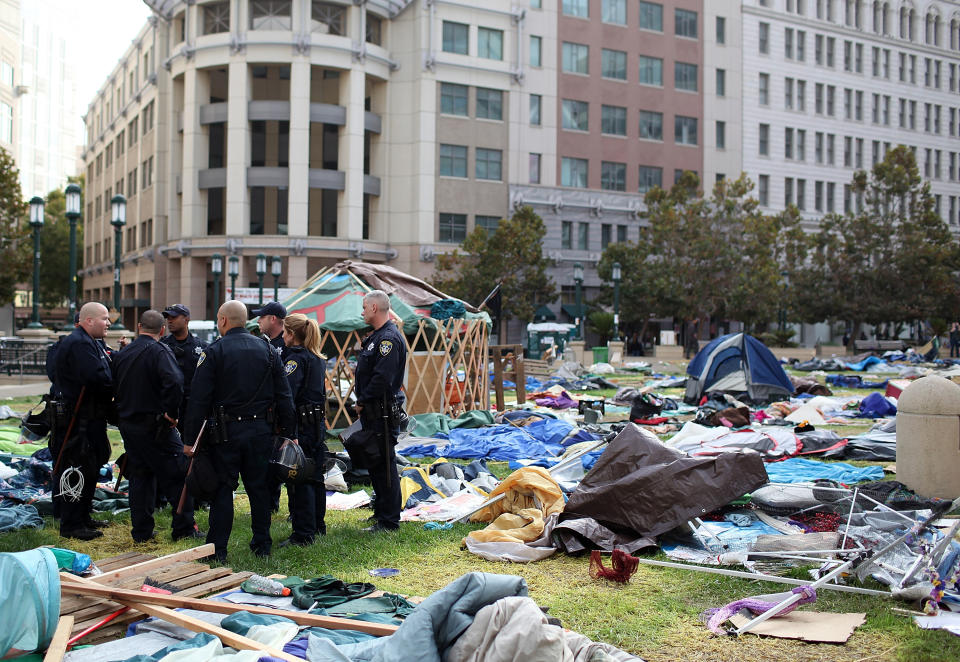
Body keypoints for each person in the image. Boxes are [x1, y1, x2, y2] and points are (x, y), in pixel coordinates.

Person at [183, 300, 296, 563]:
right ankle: (262, 545)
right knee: (259, 489)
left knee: (223, 490)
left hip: (225, 433)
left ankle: (217, 550)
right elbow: (284, 396)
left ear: (223, 320)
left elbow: (198, 400)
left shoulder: (214, 352)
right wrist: (289, 433)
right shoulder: (268, 350)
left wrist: (190, 440)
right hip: (260, 431)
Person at [113, 310, 202, 543]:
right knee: (177, 474)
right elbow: (174, 382)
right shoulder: (160, 351)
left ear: (139, 327)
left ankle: (141, 531)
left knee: (140, 477)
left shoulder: (125, 352)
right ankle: (184, 527)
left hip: (129, 424)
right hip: (155, 425)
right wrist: (172, 414)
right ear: (162, 330)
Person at [49, 302, 113, 540]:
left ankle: (83, 516)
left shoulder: (89, 343)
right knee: (76, 469)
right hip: (78, 421)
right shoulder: (79, 344)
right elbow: (98, 378)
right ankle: (72, 524)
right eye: (104, 318)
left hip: (90, 418)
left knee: (91, 467)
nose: (108, 323)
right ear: (89, 321)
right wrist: (113, 384)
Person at [354, 290, 407, 533]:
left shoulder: (388, 339)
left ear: (374, 308)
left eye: (365, 307)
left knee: (385, 466)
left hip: (382, 412)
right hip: (373, 412)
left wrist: (362, 400)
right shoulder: (376, 337)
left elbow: (382, 379)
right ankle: (381, 512)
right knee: (375, 464)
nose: (362, 311)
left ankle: (389, 520)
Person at [277, 313, 328, 547]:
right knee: (316, 476)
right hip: (316, 424)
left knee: (300, 478)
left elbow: (288, 395)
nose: (282, 336)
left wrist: (287, 430)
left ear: (291, 334)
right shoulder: (317, 358)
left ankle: (303, 533)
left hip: (302, 425)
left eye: (285, 332)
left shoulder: (295, 360)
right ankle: (318, 525)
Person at [253, 301, 288, 512]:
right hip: (265, 411)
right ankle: (268, 502)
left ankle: (272, 502)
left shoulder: (287, 344)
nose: (258, 320)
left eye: (262, 317)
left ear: (272, 319)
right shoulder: (262, 343)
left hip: (281, 410)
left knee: (278, 459)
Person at [160, 304, 208, 440]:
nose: (169, 320)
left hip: (192, 408)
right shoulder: (162, 345)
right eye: (167, 317)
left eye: (174, 317)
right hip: (168, 407)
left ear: (186, 319)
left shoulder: (201, 346)